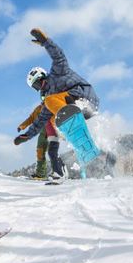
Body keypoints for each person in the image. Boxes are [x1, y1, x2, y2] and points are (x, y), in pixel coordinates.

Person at [13, 29, 99, 164]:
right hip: (78, 110)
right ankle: (92, 150)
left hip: (85, 98)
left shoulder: (57, 73)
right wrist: (26, 136)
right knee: (51, 116)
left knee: (50, 102)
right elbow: (40, 120)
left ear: (42, 76)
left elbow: (58, 56)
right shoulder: (50, 99)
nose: (39, 88)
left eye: (38, 83)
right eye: (36, 87)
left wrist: (46, 42)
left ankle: (69, 118)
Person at [17, 102, 49, 178]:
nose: (44, 99)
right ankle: (41, 174)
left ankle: (58, 173)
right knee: (40, 152)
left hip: (52, 133)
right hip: (42, 134)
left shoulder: (51, 106)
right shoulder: (38, 108)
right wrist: (22, 126)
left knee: (52, 152)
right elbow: (31, 118)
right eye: (43, 97)